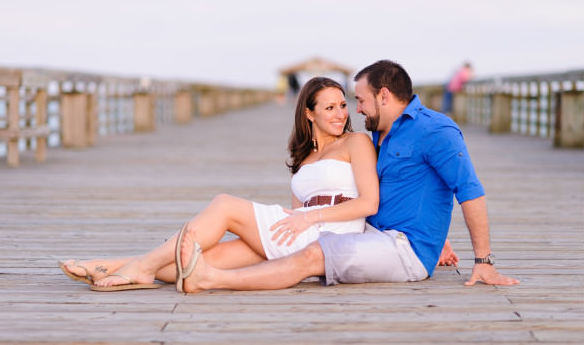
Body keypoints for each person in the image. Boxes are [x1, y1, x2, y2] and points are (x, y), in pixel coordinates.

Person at [174, 59, 519, 292]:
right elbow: (406, 187)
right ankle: (139, 267)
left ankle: (210, 280)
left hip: (405, 251)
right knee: (267, 244)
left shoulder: (437, 130)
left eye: (361, 99)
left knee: (313, 253)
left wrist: (483, 261)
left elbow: (469, 190)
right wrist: (441, 236)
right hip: (374, 233)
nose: (356, 109)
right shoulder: (382, 134)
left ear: (384, 96)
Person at [59, 77, 382, 291]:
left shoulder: (356, 142)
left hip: (331, 235)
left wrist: (308, 218)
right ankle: (112, 265)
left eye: (342, 105)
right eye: (329, 108)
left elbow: (369, 203)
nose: (340, 113)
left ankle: (137, 267)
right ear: (309, 114)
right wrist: (298, 216)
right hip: (297, 229)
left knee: (225, 204)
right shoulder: (304, 156)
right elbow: (300, 207)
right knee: (192, 263)